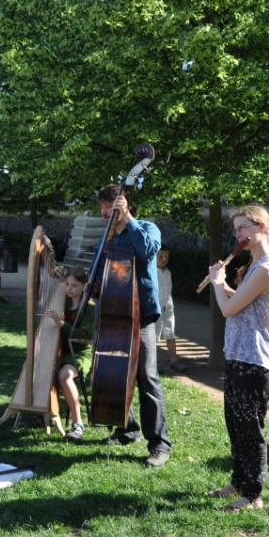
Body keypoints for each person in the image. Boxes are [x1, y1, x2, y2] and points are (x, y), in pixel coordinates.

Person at [208, 205, 269, 512]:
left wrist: (217, 283)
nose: (238, 234)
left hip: (256, 361)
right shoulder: (255, 267)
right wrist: (224, 284)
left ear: (262, 227)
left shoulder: (267, 269)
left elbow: (228, 309)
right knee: (235, 425)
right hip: (241, 356)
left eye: (244, 227)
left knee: (250, 431)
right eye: (236, 229)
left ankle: (253, 495)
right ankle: (239, 482)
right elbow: (239, 302)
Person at [91, 185, 172, 468]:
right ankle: (128, 428)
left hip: (142, 315)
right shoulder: (107, 236)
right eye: (102, 207)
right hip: (112, 315)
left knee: (146, 378)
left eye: (108, 206)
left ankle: (160, 445)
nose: (104, 212)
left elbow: (147, 252)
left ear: (124, 204)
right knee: (114, 371)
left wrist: (128, 219)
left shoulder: (148, 228)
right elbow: (100, 270)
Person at [45, 266, 95, 441]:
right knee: (41, 368)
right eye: (67, 284)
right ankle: (43, 412)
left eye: (74, 285)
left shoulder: (90, 308)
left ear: (84, 286)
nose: (69, 289)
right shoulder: (62, 302)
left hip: (81, 353)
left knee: (64, 376)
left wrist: (62, 325)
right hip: (61, 350)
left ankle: (78, 424)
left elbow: (85, 337)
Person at [155, 246, 185, 372]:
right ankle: (153, 363)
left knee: (170, 333)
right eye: (160, 256)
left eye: (166, 256)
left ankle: (173, 360)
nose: (164, 259)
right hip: (155, 308)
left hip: (168, 307)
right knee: (154, 336)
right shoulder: (152, 271)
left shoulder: (167, 272)